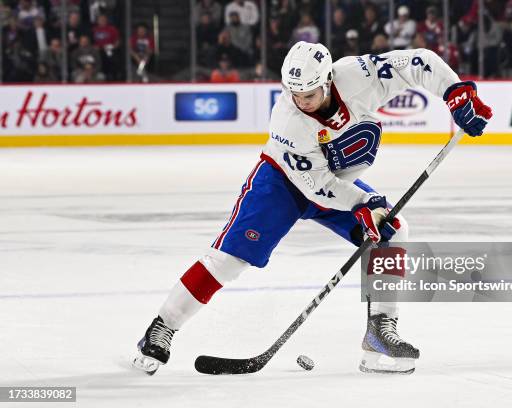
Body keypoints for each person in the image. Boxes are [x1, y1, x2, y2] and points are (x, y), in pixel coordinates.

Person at [133, 41, 492, 375]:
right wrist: (363, 203)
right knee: (229, 259)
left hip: (334, 182)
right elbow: (316, 186)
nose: (302, 101)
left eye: (310, 94)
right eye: (296, 94)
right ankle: (161, 327)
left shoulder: (359, 76)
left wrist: (454, 92)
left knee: (393, 232)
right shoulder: (288, 120)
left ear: (329, 79)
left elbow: (420, 63)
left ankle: (378, 338)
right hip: (281, 183)